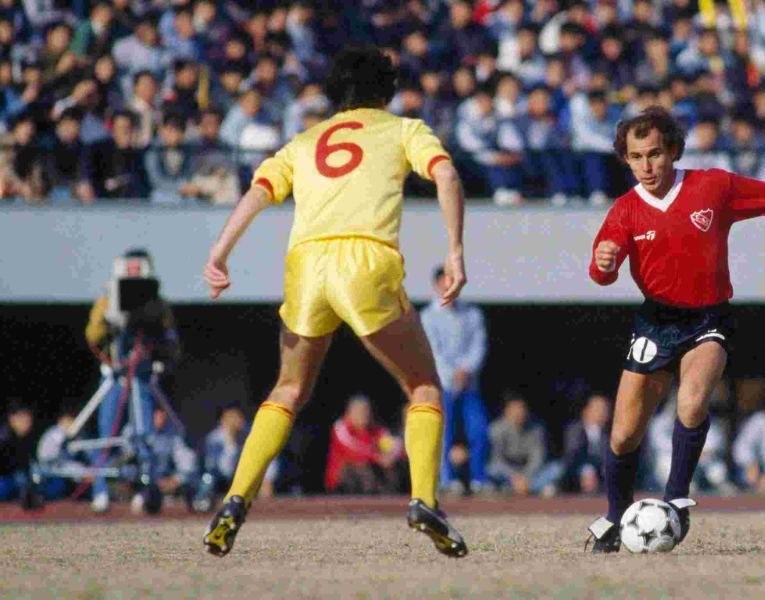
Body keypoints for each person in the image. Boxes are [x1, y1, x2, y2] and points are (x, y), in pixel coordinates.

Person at [201, 46, 470, 558]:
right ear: (387, 91)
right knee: (422, 385)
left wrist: (220, 252)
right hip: (365, 260)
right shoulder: (403, 129)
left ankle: (236, 499)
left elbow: (258, 190)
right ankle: (424, 501)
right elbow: (447, 176)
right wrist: (454, 252)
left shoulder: (303, 141)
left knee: (288, 387)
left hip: (305, 265)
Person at [584, 106, 765, 553]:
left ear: (673, 151)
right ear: (626, 160)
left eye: (655, 154)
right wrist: (603, 262)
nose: (647, 165)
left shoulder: (712, 186)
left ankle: (676, 500)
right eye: (636, 157)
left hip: (708, 319)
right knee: (622, 434)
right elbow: (602, 273)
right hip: (655, 322)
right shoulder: (624, 211)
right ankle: (616, 517)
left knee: (692, 403)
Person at [84, 248, 180, 513]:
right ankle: (100, 491)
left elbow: (170, 339)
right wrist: (108, 319)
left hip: (142, 376)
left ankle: (145, 490)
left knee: (145, 436)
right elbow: (93, 335)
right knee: (107, 435)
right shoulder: (106, 300)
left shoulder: (158, 304)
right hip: (116, 375)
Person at [421, 265, 489, 495]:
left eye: (453, 282)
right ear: (437, 285)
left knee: (478, 430)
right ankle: (447, 479)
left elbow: (478, 346)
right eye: (444, 282)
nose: (449, 287)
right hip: (444, 385)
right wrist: (451, 374)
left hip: (469, 384)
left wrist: (466, 370)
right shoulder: (428, 316)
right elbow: (433, 351)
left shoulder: (472, 314)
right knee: (444, 431)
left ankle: (479, 478)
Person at [324, 395, 403, 494]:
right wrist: (378, 457)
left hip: (372, 476)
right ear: (349, 413)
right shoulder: (341, 427)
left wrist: (391, 456)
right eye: (359, 411)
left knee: (392, 469)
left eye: (366, 411)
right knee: (360, 469)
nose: (364, 415)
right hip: (343, 482)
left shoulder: (376, 430)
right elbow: (353, 448)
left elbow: (394, 444)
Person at [486, 392, 550, 495]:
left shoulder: (537, 429)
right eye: (515, 410)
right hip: (507, 473)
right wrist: (514, 477)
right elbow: (496, 459)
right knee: (491, 469)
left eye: (522, 409)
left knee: (557, 468)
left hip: (529, 473)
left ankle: (515, 488)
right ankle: (533, 488)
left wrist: (525, 477)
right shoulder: (496, 429)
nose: (519, 413)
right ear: (506, 412)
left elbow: (538, 458)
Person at [560, 393, 610, 494]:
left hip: (601, 474)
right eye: (597, 409)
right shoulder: (574, 430)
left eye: (605, 409)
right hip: (577, 470)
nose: (602, 413)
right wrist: (587, 471)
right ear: (586, 411)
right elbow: (572, 455)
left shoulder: (610, 433)